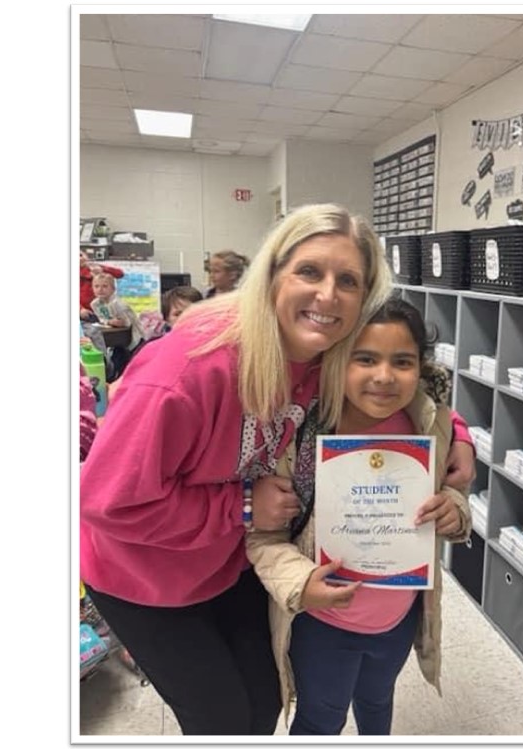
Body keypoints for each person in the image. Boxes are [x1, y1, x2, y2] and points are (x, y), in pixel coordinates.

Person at [79, 204, 475, 736]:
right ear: (272, 275)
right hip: (146, 576)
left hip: (228, 557)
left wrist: (463, 441)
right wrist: (241, 503)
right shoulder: (185, 373)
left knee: (265, 704)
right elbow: (105, 502)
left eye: (348, 280)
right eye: (309, 271)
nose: (328, 294)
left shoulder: (322, 358)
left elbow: (415, 389)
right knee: (222, 719)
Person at [246, 298, 471, 735]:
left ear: (420, 367)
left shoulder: (427, 421)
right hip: (323, 624)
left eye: (402, 361)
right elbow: (263, 538)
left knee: (377, 701)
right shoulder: (305, 435)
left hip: (398, 617)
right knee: (321, 719)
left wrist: (454, 511)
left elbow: (450, 491)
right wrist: (299, 584)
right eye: (364, 358)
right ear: (334, 361)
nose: (384, 377)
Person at [80, 251, 125, 322]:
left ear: (86, 256)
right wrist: (80, 309)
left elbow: (120, 273)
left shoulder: (95, 267)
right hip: (86, 313)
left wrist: (103, 269)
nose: (79, 259)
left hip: (104, 309)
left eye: (80, 255)